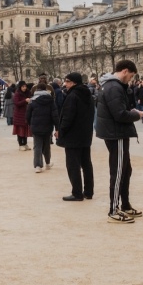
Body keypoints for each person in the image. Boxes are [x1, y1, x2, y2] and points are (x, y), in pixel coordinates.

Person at [96, 60, 143, 223]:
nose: (130, 79)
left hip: (115, 131)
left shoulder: (111, 86)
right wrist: (137, 115)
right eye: (130, 76)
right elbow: (120, 114)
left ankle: (124, 205)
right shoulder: (114, 87)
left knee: (125, 170)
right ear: (125, 71)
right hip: (116, 133)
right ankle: (113, 210)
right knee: (118, 172)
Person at [57, 72, 94, 201]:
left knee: (73, 165)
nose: (65, 84)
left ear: (73, 82)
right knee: (86, 164)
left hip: (73, 135)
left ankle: (77, 193)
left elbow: (67, 117)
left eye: (67, 81)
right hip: (85, 135)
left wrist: (60, 131)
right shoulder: (88, 95)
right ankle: (88, 191)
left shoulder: (72, 96)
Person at [26, 83, 59, 173]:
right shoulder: (51, 100)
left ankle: (38, 165)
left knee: (37, 146)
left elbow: (28, 115)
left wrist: (30, 124)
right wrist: (57, 127)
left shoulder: (32, 101)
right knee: (47, 145)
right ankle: (47, 163)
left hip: (36, 126)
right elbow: (55, 115)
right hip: (48, 126)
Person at [12, 81, 32, 150]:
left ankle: (25, 143)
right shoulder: (17, 94)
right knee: (20, 130)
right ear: (20, 87)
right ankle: (20, 144)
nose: (24, 88)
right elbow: (17, 103)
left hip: (26, 114)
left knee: (25, 129)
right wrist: (25, 101)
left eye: (25, 86)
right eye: (23, 86)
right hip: (19, 114)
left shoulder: (28, 93)